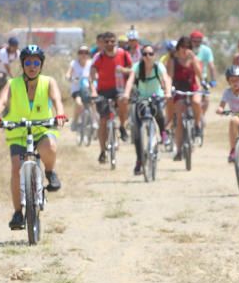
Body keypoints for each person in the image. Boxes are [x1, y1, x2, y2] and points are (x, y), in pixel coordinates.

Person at [0, 45, 67, 230]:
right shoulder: (12, 83)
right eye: (28, 62)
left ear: (41, 65)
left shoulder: (48, 82)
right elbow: (1, 101)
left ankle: (49, 172)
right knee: (16, 169)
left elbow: (57, 101)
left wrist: (60, 114)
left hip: (41, 129)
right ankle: (18, 212)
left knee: (50, 147)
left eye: (36, 62)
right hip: (18, 132)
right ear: (22, 64)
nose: (32, 66)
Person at [123, 44, 170, 176]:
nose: (148, 57)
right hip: (141, 98)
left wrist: (167, 92)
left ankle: (163, 132)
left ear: (154, 55)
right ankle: (139, 160)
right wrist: (126, 94)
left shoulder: (158, 67)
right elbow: (130, 81)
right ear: (141, 56)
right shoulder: (137, 67)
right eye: (145, 54)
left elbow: (166, 79)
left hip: (156, 96)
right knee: (137, 132)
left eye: (150, 54)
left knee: (159, 111)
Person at [89, 32, 133, 164]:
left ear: (116, 42)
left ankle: (123, 126)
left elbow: (131, 70)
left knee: (122, 101)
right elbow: (91, 75)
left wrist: (123, 71)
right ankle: (102, 151)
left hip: (119, 89)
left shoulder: (123, 54)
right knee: (103, 120)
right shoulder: (99, 57)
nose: (109, 44)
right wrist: (93, 92)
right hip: (103, 91)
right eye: (106, 41)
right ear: (103, 43)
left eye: (112, 41)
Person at [166, 36, 203, 162]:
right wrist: (169, 88)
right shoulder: (172, 59)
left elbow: (199, 74)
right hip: (178, 87)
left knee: (196, 102)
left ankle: (198, 126)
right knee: (180, 118)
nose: (184, 50)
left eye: (187, 47)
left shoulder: (193, 58)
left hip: (192, 86)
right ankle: (179, 149)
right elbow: (170, 75)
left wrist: (193, 60)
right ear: (178, 48)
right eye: (182, 47)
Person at [66, 45, 93, 127]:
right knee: (79, 103)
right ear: (78, 54)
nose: (83, 54)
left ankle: (93, 121)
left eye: (86, 52)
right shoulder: (74, 63)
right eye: (81, 52)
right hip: (76, 89)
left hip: (88, 89)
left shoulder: (91, 63)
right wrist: (69, 78)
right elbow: (68, 73)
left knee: (94, 103)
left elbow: (95, 74)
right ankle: (75, 120)